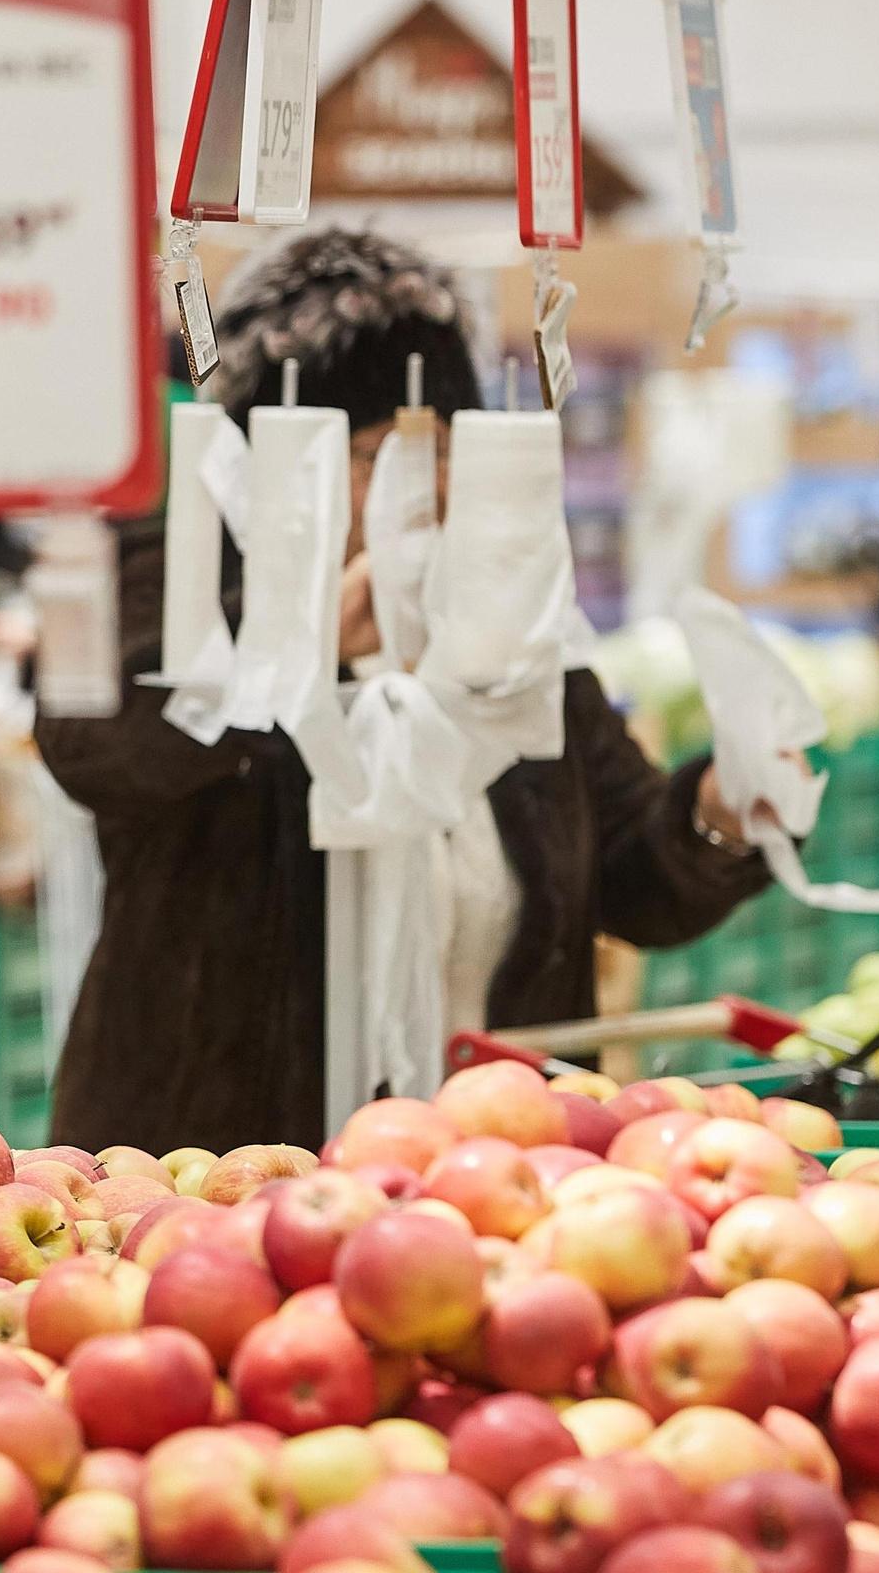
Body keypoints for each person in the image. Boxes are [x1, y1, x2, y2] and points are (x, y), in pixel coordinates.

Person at [38, 226, 771, 1154]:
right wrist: (285, 648)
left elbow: (628, 873)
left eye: (445, 454)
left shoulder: (507, 630)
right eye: (375, 454)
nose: (419, 491)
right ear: (273, 467)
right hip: (221, 1184)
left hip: (490, 1180)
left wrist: (721, 812)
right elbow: (89, 742)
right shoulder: (180, 588)